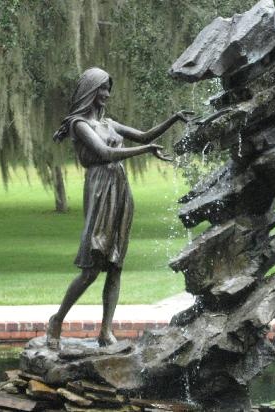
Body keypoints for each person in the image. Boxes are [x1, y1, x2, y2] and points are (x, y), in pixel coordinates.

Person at [48, 67, 192, 348]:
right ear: (91, 90)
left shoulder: (109, 123)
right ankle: (57, 319)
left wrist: (174, 118)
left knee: (116, 265)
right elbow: (106, 153)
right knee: (91, 267)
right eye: (102, 88)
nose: (107, 94)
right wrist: (146, 150)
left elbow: (144, 135)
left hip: (120, 189)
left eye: (108, 88)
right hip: (100, 189)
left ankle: (106, 330)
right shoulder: (80, 125)